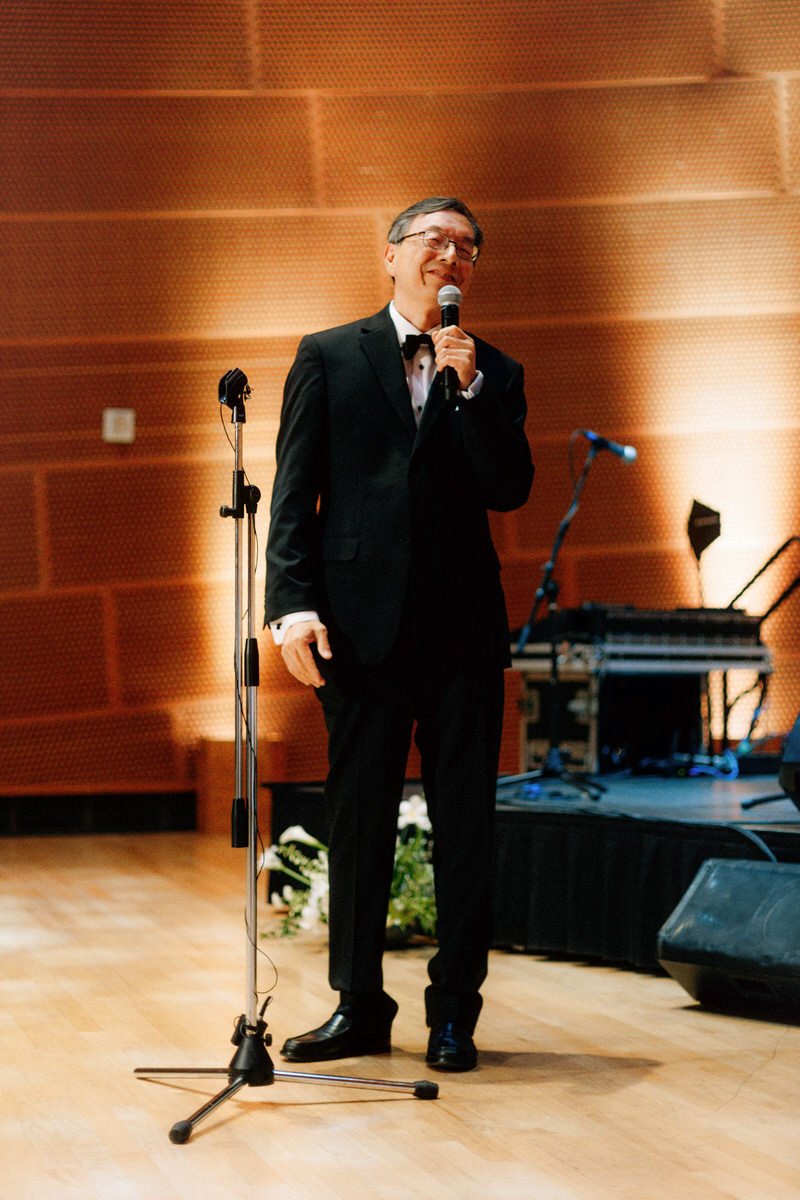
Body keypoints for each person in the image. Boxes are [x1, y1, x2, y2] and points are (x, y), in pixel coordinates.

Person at [265, 197, 534, 1072]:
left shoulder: (494, 370)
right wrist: (290, 603)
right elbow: (295, 494)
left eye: (466, 246)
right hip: (360, 630)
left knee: (466, 828)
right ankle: (359, 1007)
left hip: (461, 635)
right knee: (359, 820)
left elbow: (510, 490)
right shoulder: (329, 356)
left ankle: (454, 1012)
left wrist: (475, 392)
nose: (450, 255)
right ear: (391, 256)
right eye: (433, 240)